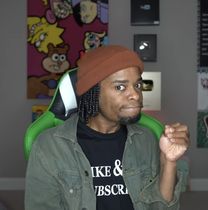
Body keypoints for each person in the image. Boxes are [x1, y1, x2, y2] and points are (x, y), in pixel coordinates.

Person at [25, 45, 190, 210]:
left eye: (138, 85)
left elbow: (161, 208)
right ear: (93, 93)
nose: (135, 95)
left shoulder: (146, 139)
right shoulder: (49, 147)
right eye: (120, 87)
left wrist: (169, 162)